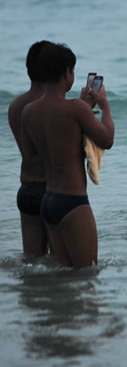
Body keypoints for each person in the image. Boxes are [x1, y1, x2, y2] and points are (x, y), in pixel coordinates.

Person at [20, 43, 114, 267]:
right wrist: (105, 106)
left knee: (63, 275)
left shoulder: (28, 111)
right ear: (67, 73)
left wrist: (82, 112)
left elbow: (34, 152)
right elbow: (107, 139)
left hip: (48, 200)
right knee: (87, 273)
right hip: (72, 200)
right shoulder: (75, 108)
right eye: (72, 71)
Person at [8, 41, 53, 256]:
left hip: (27, 188)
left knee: (32, 261)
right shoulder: (53, 106)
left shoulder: (15, 106)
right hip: (53, 189)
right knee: (62, 262)